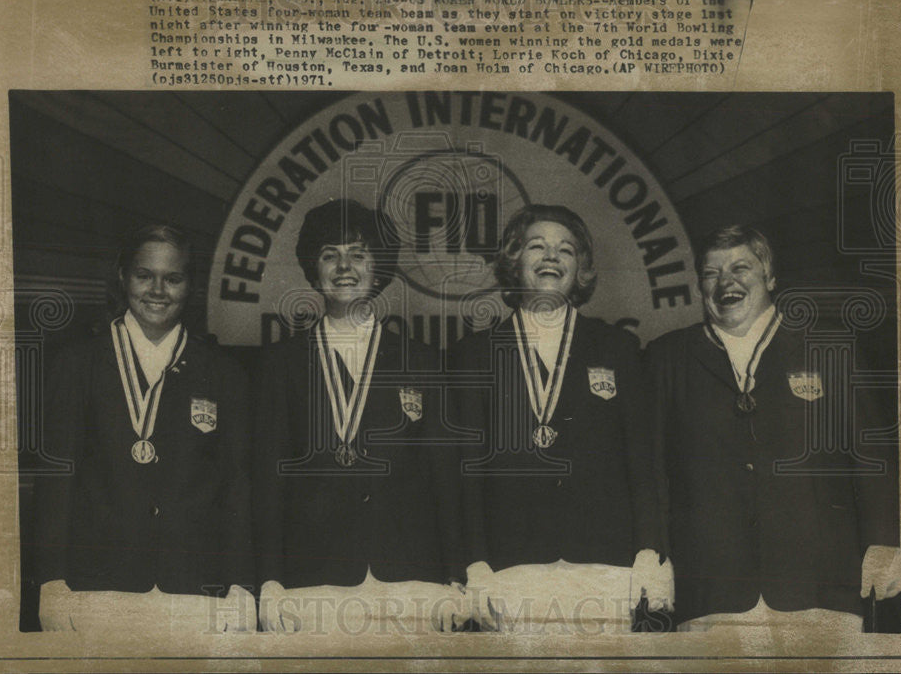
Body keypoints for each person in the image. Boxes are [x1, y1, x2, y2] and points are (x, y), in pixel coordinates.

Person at [645, 224, 901, 634]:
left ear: (770, 278)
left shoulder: (828, 347)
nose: (726, 282)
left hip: (822, 583)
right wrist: (652, 552)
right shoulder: (665, 359)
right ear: (699, 287)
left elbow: (874, 456)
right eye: (711, 273)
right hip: (712, 587)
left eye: (740, 268)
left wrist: (885, 541)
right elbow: (651, 471)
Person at [449, 204, 671, 632]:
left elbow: (642, 461)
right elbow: (466, 467)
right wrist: (474, 562)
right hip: (510, 566)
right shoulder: (475, 354)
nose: (551, 257)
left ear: (580, 269)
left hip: (605, 566)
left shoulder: (618, 348)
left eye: (565, 250)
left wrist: (649, 552)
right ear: (514, 261)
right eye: (537, 246)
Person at [254, 199, 467, 634]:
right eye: (330, 254)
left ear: (380, 265)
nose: (344, 266)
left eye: (359, 253)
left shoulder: (423, 362)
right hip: (313, 574)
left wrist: (457, 576)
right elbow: (268, 478)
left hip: (411, 573)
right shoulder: (281, 363)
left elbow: (444, 475)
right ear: (314, 269)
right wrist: (269, 579)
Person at [33, 224, 255, 633]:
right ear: (122, 277)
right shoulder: (77, 364)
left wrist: (241, 584)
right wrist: (50, 580)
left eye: (173, 278)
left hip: (194, 588)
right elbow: (55, 479)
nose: (157, 290)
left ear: (190, 285)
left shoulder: (224, 374)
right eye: (144, 275)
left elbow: (236, 484)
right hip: (96, 588)